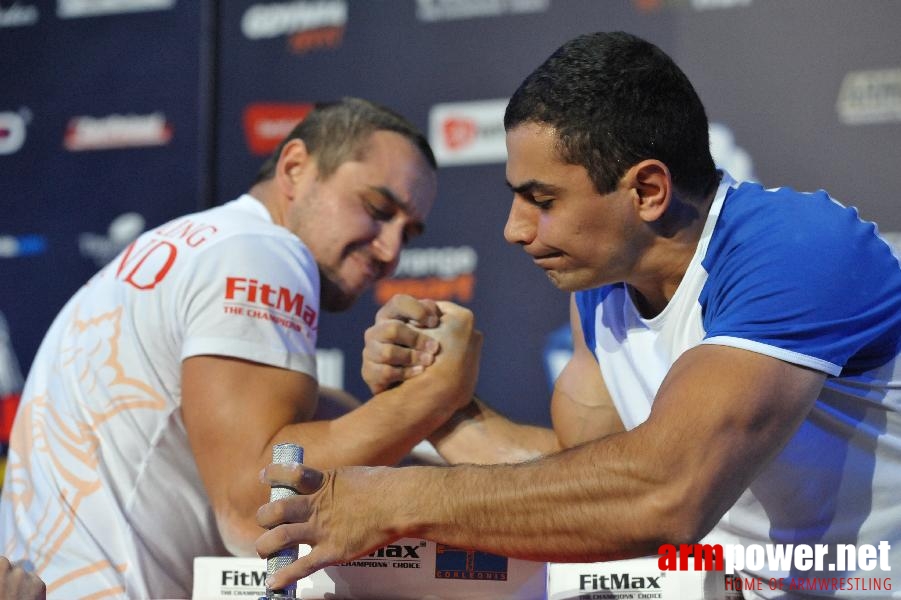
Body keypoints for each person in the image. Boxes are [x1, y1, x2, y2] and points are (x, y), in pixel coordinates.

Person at [255, 32, 901, 598]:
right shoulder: (600, 289)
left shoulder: (796, 249)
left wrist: (392, 501)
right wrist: (439, 406)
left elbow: (661, 494)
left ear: (646, 191)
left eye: (541, 199)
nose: (513, 228)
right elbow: (581, 486)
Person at [0, 97, 480, 599]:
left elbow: (321, 431)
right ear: (295, 168)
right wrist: (433, 395)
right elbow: (254, 509)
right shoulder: (263, 251)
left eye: (409, 231)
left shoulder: (206, 243)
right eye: (377, 210)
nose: (391, 251)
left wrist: (420, 416)